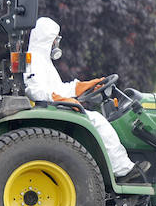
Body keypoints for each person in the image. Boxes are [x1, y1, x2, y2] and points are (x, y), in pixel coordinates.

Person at [23, 16, 148, 182]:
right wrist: (59, 98)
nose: (57, 44)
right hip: (52, 109)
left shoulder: (43, 60)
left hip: (55, 106)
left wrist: (83, 86)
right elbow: (34, 90)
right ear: (48, 39)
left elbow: (56, 89)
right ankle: (123, 170)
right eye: (55, 39)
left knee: (97, 118)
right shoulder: (34, 61)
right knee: (99, 121)